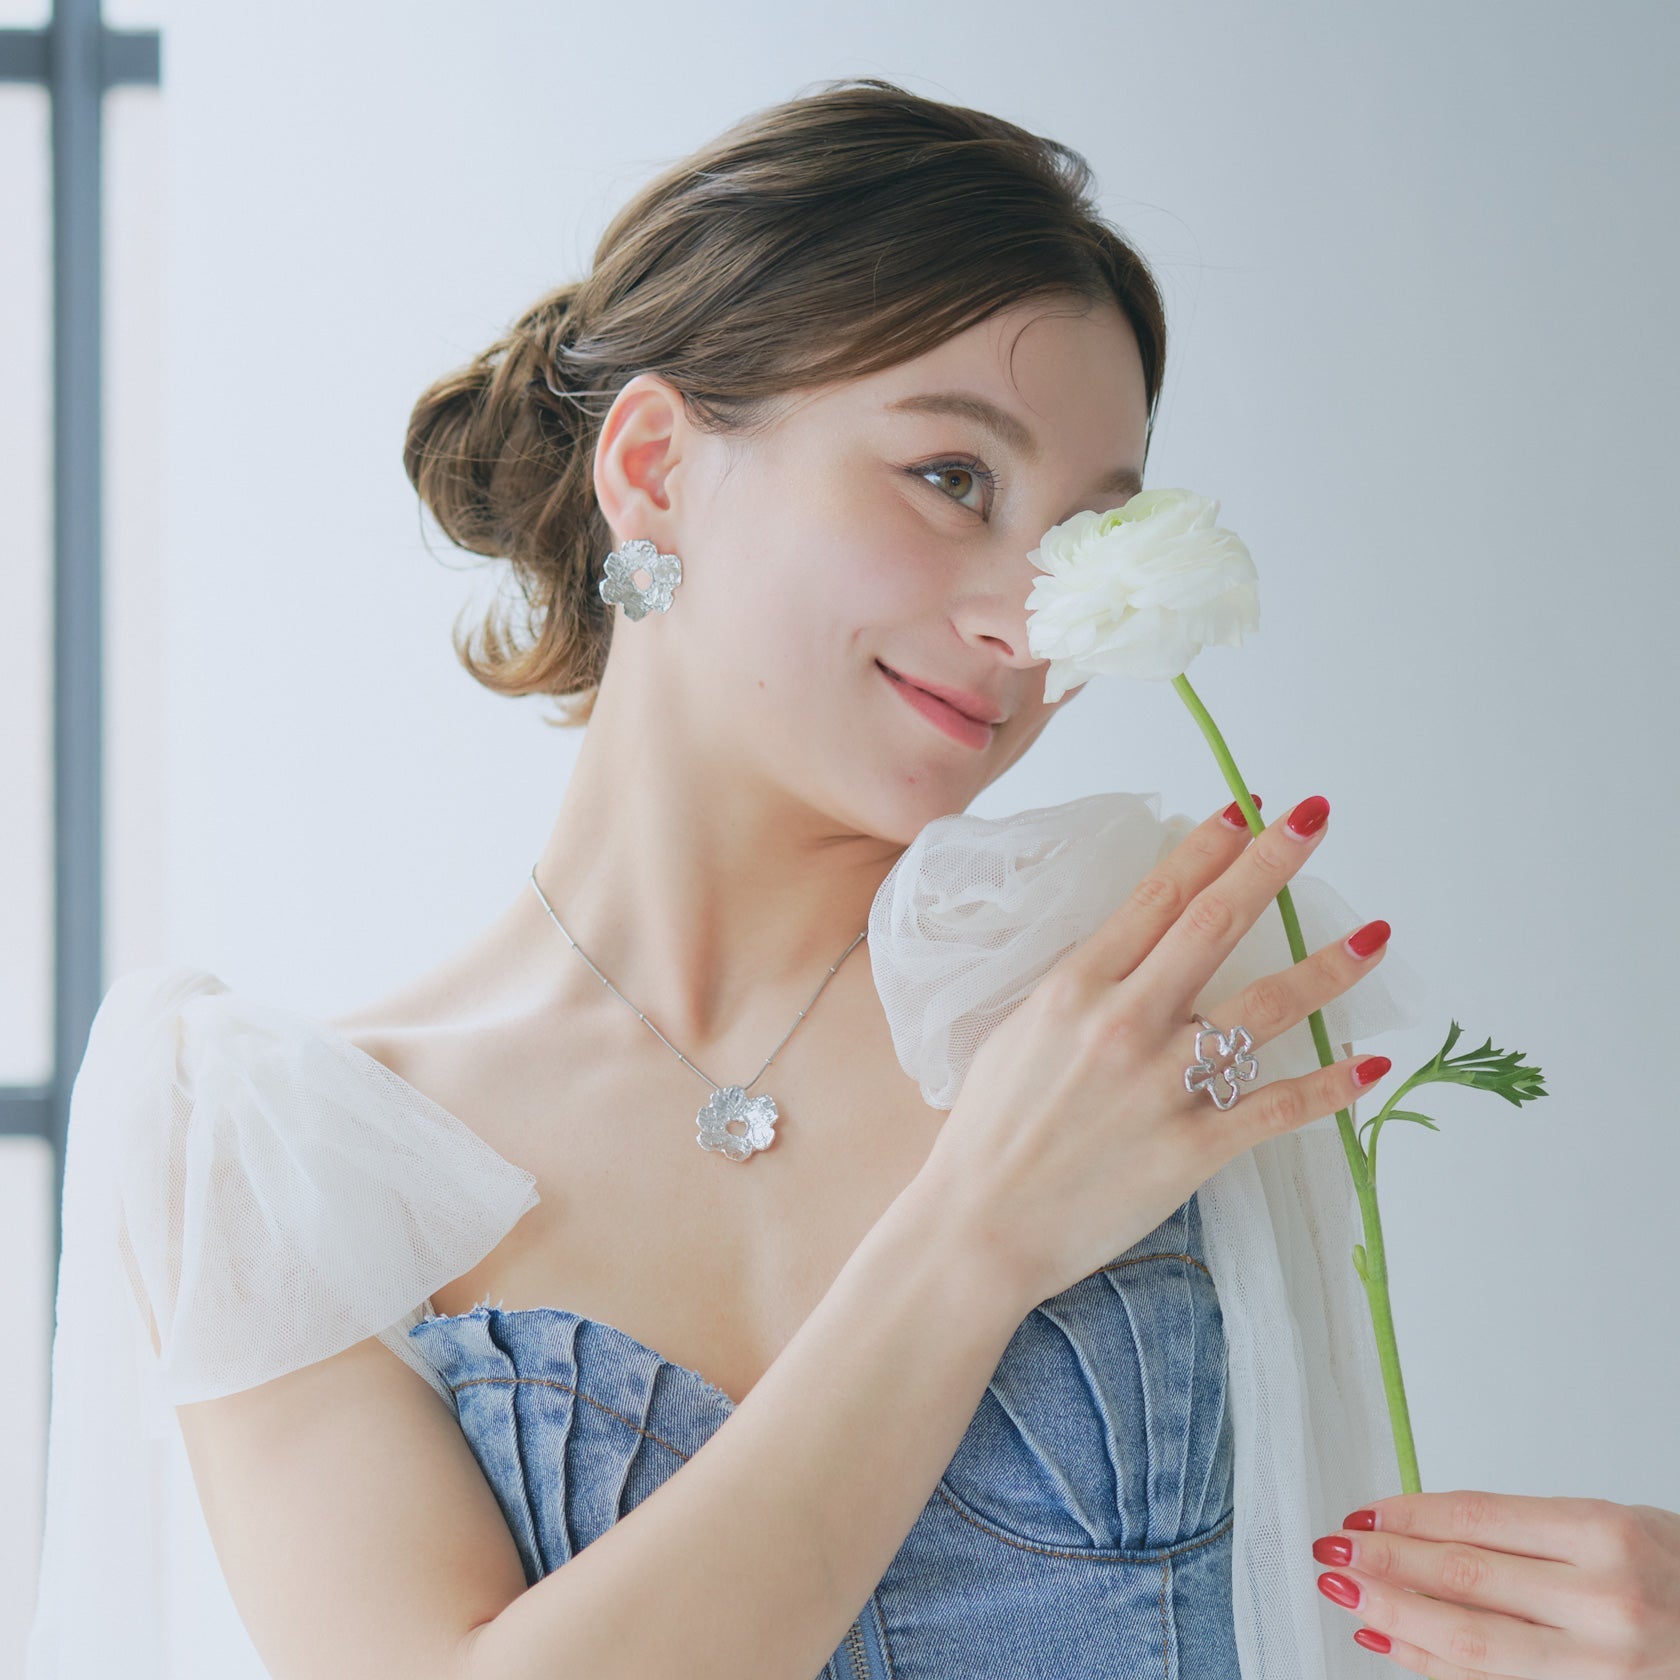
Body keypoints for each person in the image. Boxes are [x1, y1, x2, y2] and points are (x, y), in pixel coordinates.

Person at [25, 76, 1679, 1680]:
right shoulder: (279, 1148)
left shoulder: (1142, 979)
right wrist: (979, 1229)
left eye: (1086, 539)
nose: (1029, 620)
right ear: (658, 465)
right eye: (953, 479)